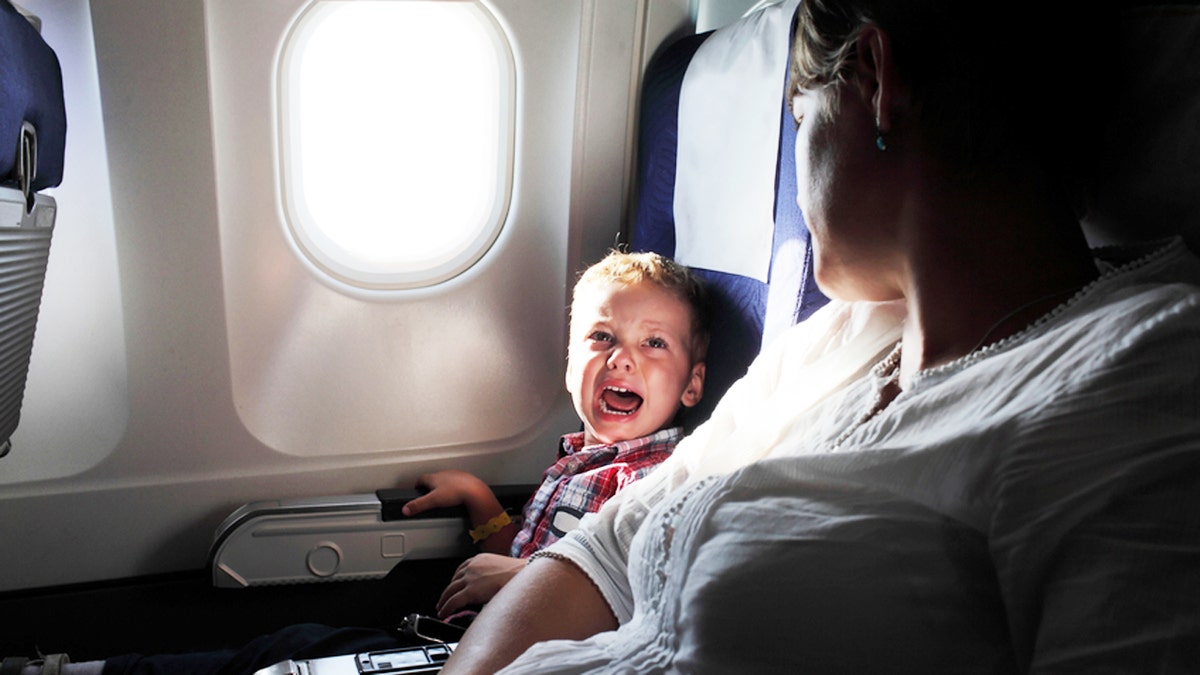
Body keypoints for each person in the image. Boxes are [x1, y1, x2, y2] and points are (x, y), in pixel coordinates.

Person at [441, 2, 1200, 673]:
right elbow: (600, 552)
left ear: (874, 78)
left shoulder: (1143, 373)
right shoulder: (836, 336)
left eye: (801, 121)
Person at [38, 251, 708, 675]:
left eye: (654, 343)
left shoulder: (658, 480)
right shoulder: (579, 462)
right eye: (601, 336)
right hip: (448, 640)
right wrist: (482, 505)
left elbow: (637, 604)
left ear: (692, 386)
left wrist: (527, 576)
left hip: (495, 657)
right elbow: (518, 556)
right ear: (569, 360)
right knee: (289, 642)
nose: (622, 357)